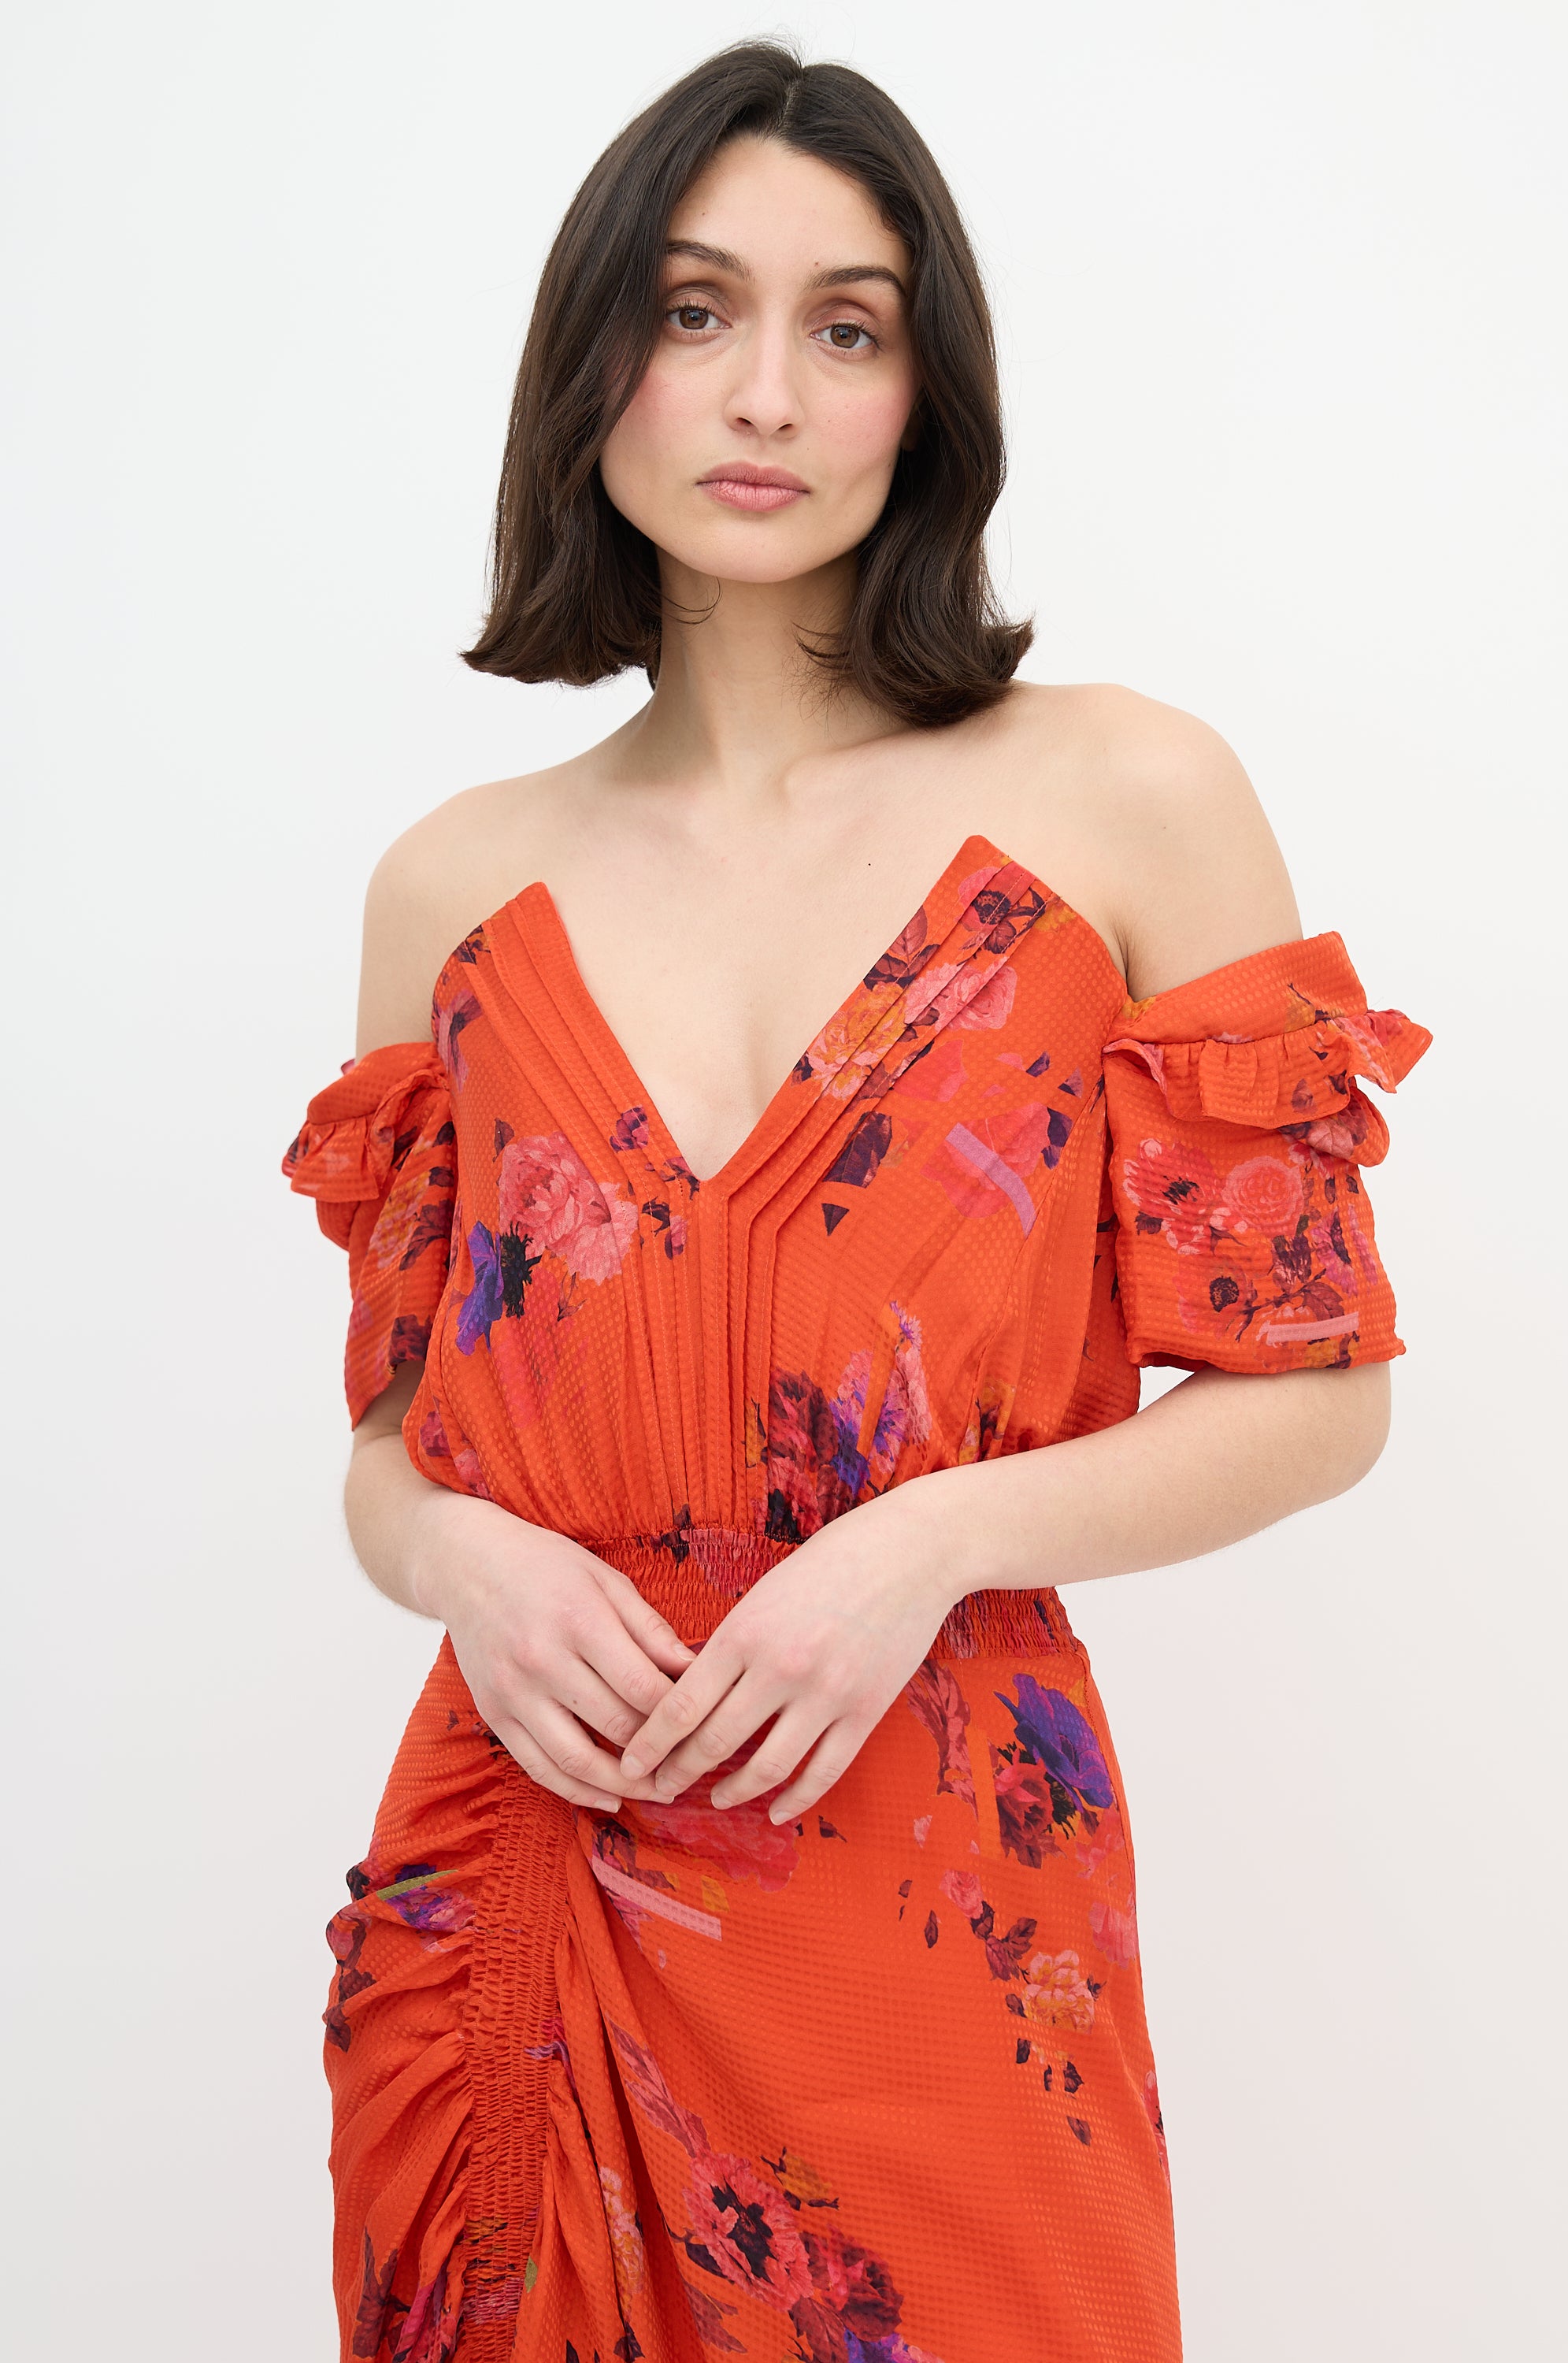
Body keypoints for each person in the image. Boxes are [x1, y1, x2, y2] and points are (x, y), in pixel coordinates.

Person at [281, 39, 1429, 2363]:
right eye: (695, 310)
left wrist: (924, 1547)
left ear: (931, 390)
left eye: (849, 324)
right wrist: (466, 1562)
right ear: (592, 360)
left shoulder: (1124, 794)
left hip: (935, 1888)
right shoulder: (451, 885)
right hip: (521, 1880)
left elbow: (1323, 1397)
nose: (765, 395)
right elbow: (392, 1451)